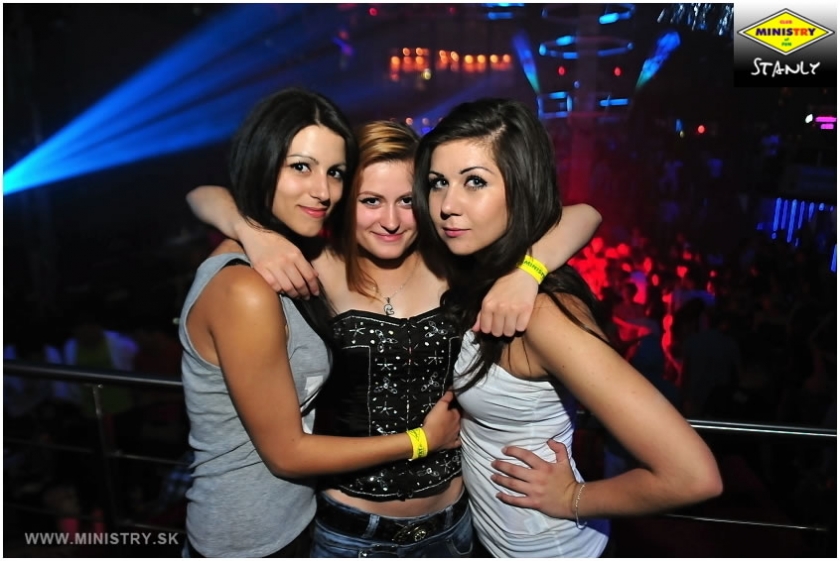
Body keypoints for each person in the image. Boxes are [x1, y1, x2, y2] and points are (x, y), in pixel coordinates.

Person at [186, 120, 602, 557]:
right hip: (348, 533)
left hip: (454, 526)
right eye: (370, 201)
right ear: (343, 201)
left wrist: (527, 271)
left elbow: (585, 214)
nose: (391, 221)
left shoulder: (453, 262)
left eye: (407, 201)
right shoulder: (310, 266)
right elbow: (202, 196)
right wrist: (253, 233)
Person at [411, 97, 724, 558]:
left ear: (521, 187)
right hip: (493, 544)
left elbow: (693, 476)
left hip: (552, 550)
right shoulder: (477, 278)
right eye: (438, 182)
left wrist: (573, 498)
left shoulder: (543, 315)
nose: (447, 205)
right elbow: (585, 214)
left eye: (474, 181)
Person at [179, 88, 462, 558]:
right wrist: (422, 441)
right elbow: (287, 452)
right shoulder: (256, 283)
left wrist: (252, 230)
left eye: (334, 173)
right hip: (253, 538)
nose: (322, 190)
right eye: (301, 167)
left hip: (308, 522)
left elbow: (201, 195)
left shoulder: (288, 258)